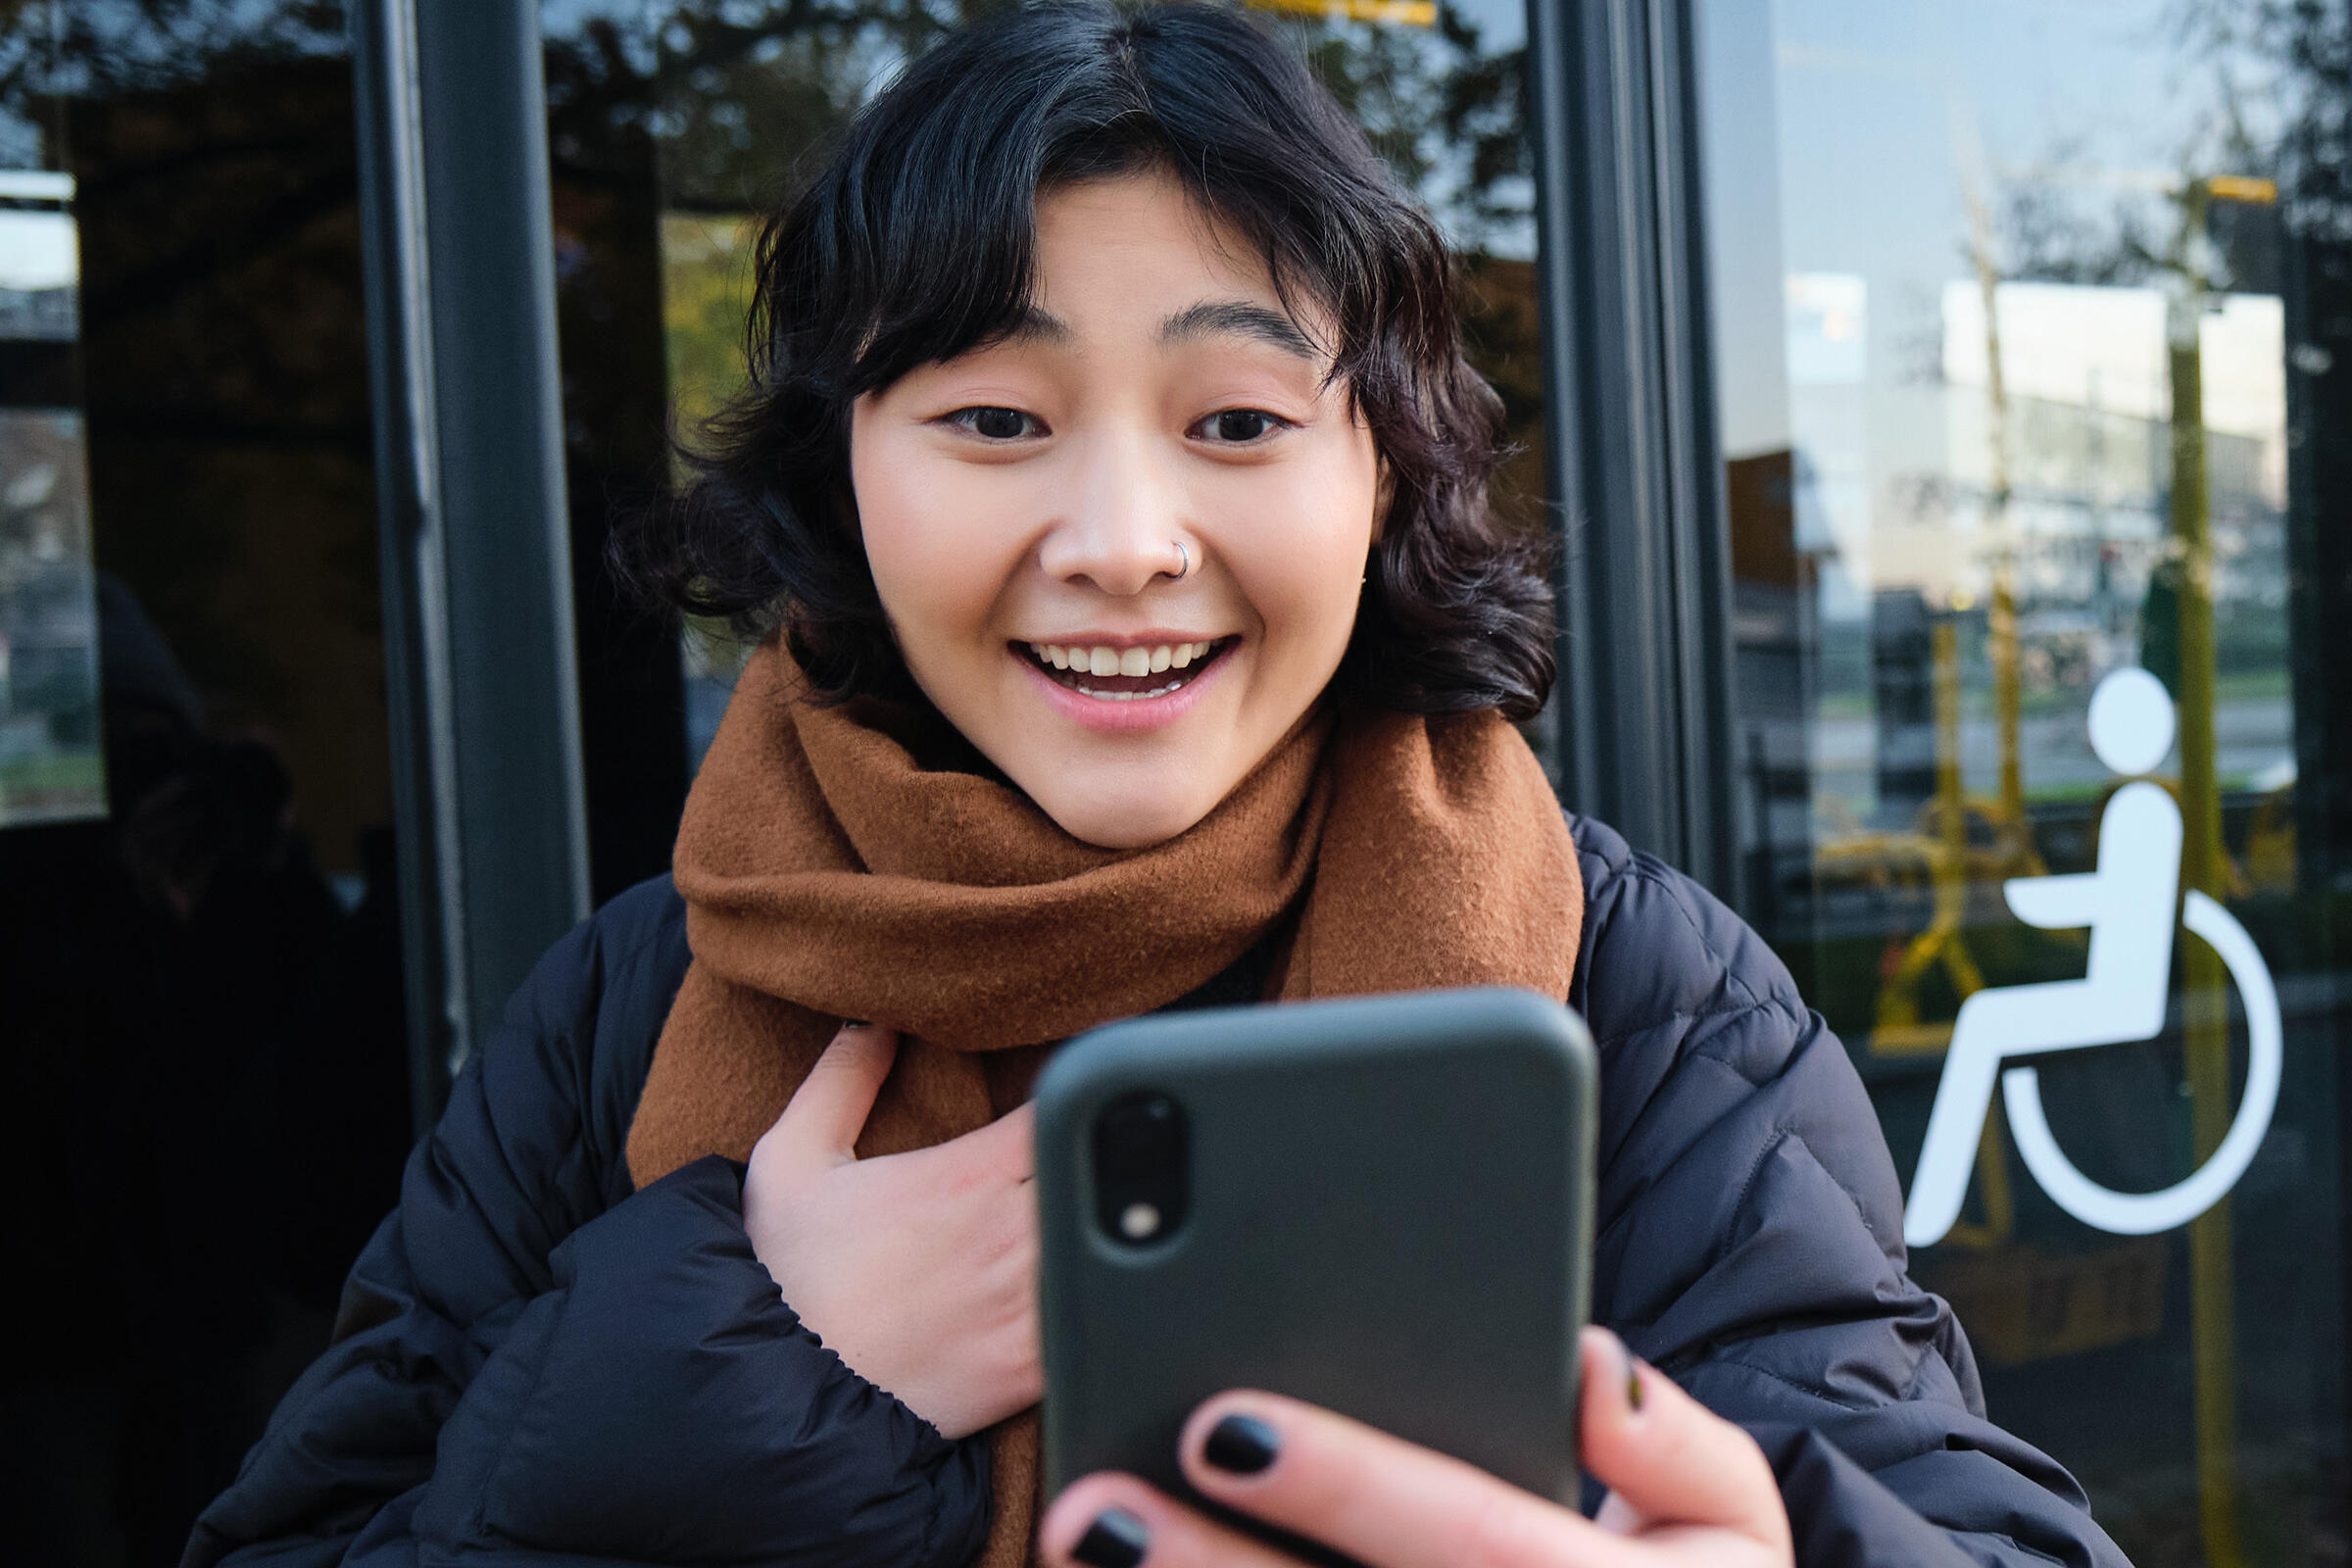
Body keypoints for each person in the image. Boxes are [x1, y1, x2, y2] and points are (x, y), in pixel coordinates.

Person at [186, 6, 2131, 1567]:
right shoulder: (628, 1004)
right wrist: (734, 1383)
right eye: (994, 418)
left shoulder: (1633, 989)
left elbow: (1956, 1502)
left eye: (1237, 419)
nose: (1123, 536)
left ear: (1378, 474)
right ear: (845, 478)